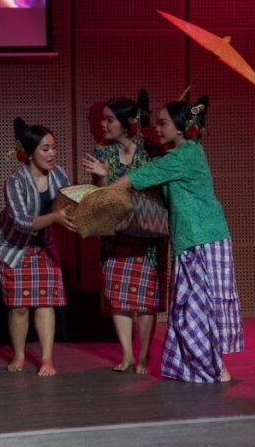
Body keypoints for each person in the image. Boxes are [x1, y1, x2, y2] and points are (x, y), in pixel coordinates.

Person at [110, 96, 244, 383]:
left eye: (163, 123)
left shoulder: (186, 155)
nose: (157, 128)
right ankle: (193, 366)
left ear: (181, 127)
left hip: (203, 238)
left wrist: (101, 195)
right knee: (189, 306)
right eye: (156, 122)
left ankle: (214, 367)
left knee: (199, 306)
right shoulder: (182, 154)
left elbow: (141, 176)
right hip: (192, 238)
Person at [81, 90, 163, 375]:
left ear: (128, 121)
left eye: (109, 119)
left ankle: (143, 356)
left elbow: (158, 187)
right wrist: (102, 175)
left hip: (145, 233)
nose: (103, 125)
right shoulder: (103, 151)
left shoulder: (151, 149)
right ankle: (127, 354)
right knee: (119, 297)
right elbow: (101, 195)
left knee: (145, 300)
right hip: (116, 234)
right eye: (102, 120)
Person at [0, 117, 76, 376]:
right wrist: (54, 218)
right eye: (45, 149)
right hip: (12, 248)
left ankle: (47, 358)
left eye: (53, 147)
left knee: (45, 302)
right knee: (19, 306)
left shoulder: (59, 174)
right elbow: (20, 222)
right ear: (29, 153)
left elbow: (70, 202)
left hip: (43, 247)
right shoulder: (15, 182)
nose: (52, 153)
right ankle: (18, 354)